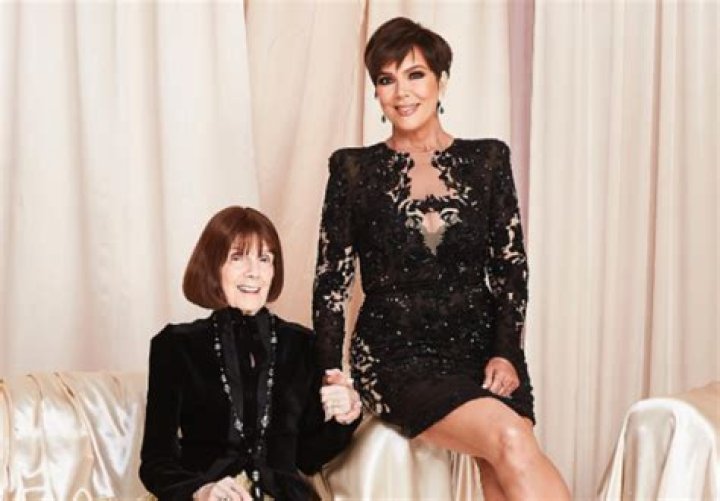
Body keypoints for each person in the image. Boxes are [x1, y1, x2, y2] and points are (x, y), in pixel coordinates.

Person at [313, 17, 571, 501]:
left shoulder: (487, 161)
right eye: (386, 80)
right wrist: (331, 371)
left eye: (415, 75)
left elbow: (510, 268)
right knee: (509, 438)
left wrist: (506, 351)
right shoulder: (353, 170)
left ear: (442, 81)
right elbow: (332, 281)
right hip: (396, 354)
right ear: (376, 92)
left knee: (504, 469)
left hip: (482, 348)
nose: (401, 93)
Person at [140, 206, 362, 501]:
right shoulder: (176, 346)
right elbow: (156, 462)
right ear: (213, 265)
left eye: (265, 258)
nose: (254, 272)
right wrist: (201, 490)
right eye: (237, 257)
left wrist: (344, 418)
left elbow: (308, 458)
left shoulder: (302, 345)